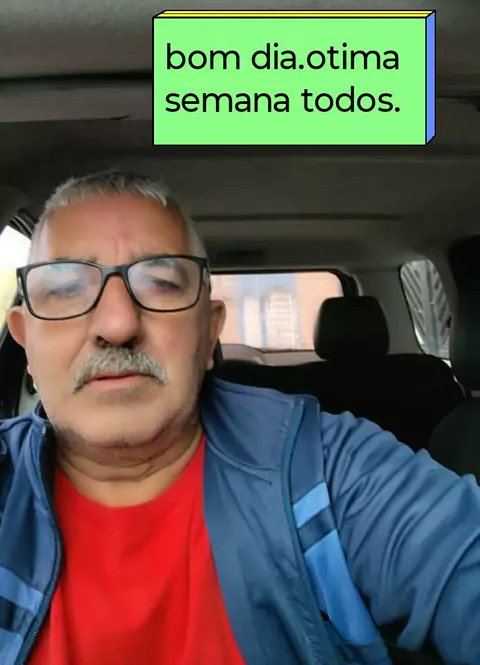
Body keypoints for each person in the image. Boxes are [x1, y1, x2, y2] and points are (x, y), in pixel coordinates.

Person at [2, 169, 480, 665]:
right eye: (67, 288)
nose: (119, 323)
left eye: (161, 284)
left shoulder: (322, 470)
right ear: (25, 340)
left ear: (210, 333)